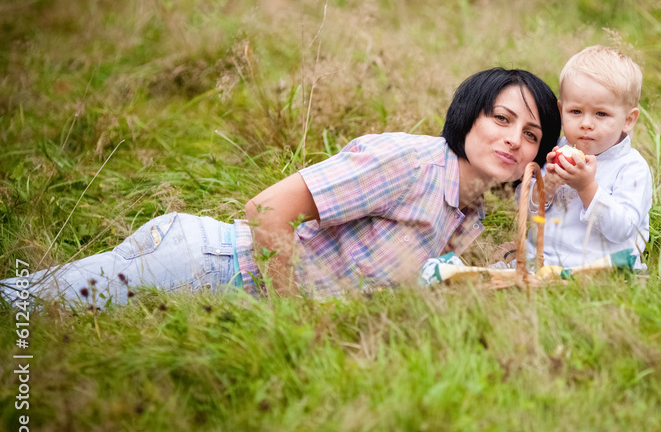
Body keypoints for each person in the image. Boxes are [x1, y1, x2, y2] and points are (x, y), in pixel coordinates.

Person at [1, 68, 561, 308]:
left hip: (220, 293)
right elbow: (266, 208)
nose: (514, 139)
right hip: (209, 265)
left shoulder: (471, 211)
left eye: (531, 134)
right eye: (501, 118)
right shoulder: (408, 162)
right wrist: (289, 318)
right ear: (468, 116)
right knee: (20, 307)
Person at [518, 45, 653, 270]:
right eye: (576, 112)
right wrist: (547, 186)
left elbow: (622, 230)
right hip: (543, 260)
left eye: (601, 114)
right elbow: (525, 211)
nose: (586, 123)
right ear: (561, 111)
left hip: (598, 268)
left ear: (628, 120)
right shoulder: (557, 152)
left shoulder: (631, 168)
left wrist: (586, 187)